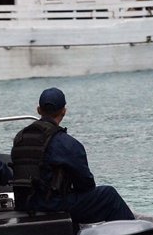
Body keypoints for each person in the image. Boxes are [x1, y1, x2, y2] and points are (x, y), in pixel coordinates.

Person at [11, 87, 134, 227]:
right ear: (64, 111)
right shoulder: (67, 143)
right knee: (109, 195)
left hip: (24, 204)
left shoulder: (20, 138)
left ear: (38, 110)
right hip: (51, 205)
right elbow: (86, 184)